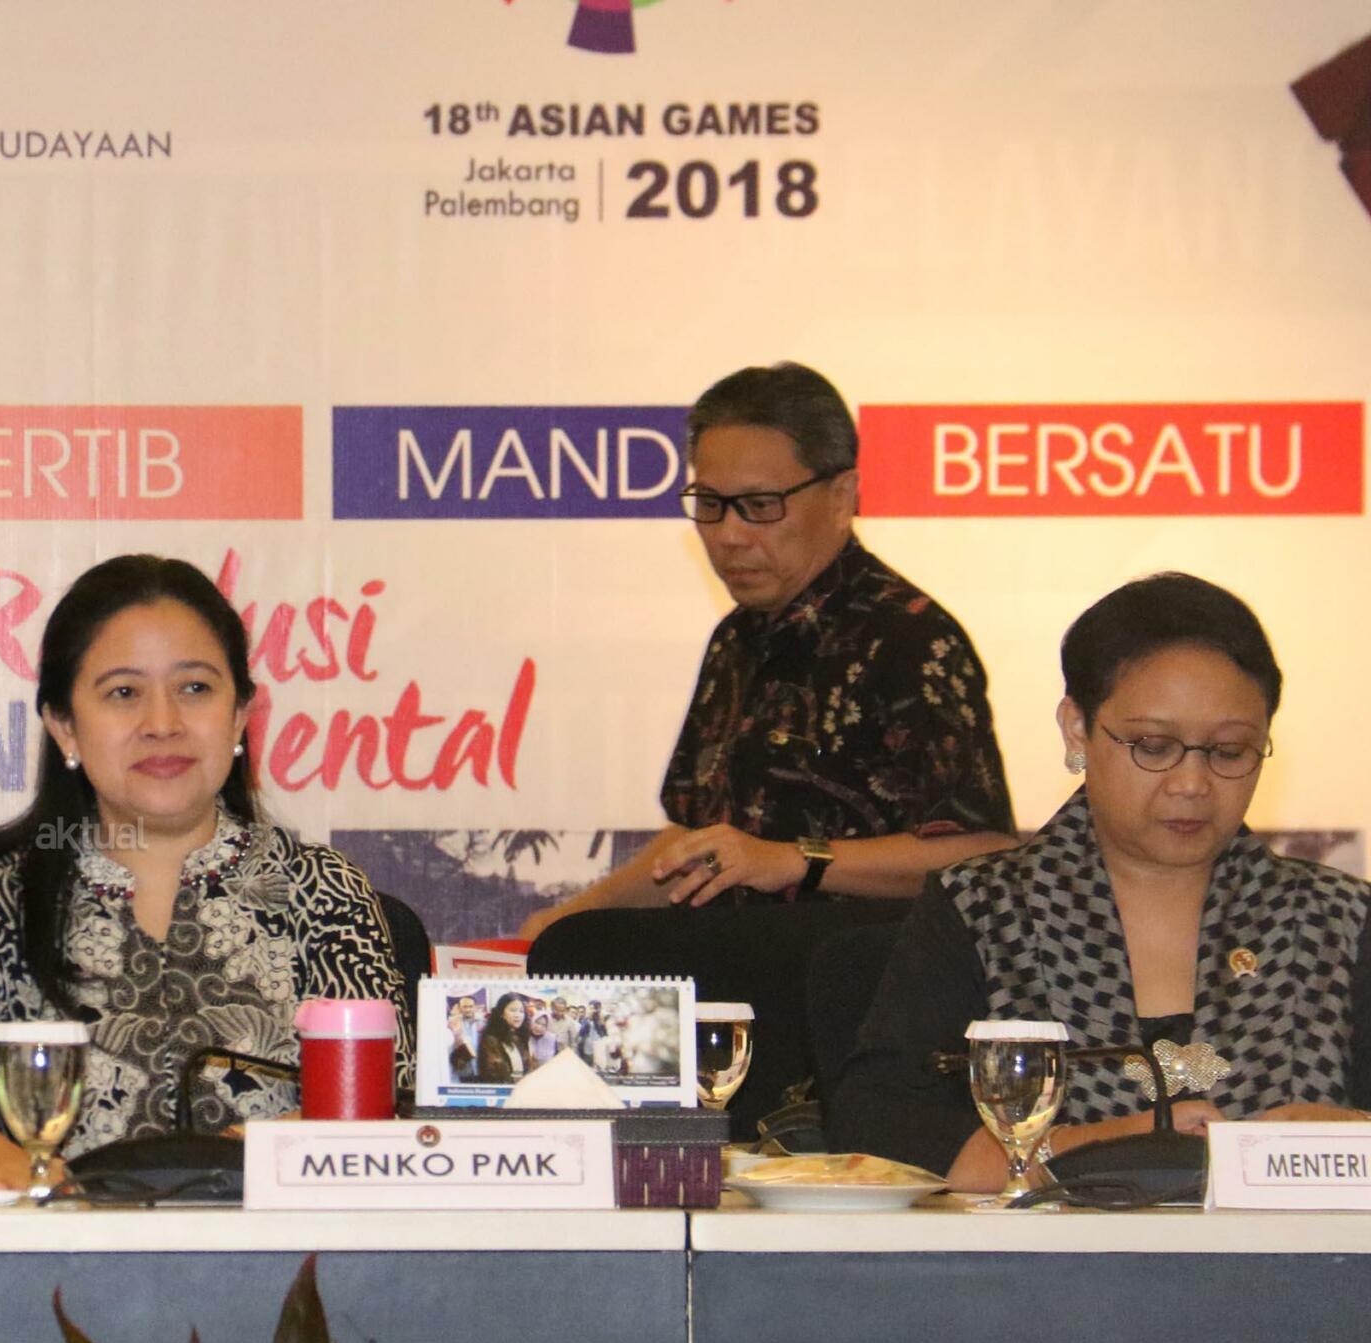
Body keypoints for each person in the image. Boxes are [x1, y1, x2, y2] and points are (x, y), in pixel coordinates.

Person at [0, 554, 413, 1187]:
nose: (162, 724)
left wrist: (264, 1152)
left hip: (273, 1239)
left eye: (195, 688)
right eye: (123, 693)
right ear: (64, 727)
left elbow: (391, 1100)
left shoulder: (323, 889)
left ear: (239, 715)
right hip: (56, 1238)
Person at [828, 574, 1370, 1189]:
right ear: (1076, 729)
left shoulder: (1339, 919)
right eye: (1154, 746)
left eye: (1229, 751)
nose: (1191, 783)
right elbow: (879, 1128)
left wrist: (1352, 1132)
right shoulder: (983, 908)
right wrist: (1105, 1146)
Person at [522, 363, 1017, 938]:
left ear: (842, 496)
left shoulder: (910, 639)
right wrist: (564, 921)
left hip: (858, 979)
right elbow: (700, 841)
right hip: (734, 974)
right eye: (709, 503)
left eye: (759, 505)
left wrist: (797, 860)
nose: (728, 535)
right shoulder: (735, 639)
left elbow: (981, 853)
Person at [475, 994, 526, 1085]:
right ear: (501, 1013)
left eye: (521, 1011)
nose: (518, 1015)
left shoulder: (519, 1038)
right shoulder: (491, 1039)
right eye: (513, 1010)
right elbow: (493, 1073)